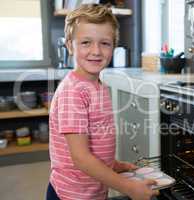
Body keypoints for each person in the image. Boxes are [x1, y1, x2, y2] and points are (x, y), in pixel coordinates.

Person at [47, 4, 159, 200]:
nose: (96, 51)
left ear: (113, 46)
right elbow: (81, 158)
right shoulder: (73, 93)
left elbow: (95, 140)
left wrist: (113, 164)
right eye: (86, 42)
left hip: (93, 190)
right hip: (72, 195)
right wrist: (129, 188)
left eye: (105, 43)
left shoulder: (98, 85)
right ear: (69, 46)